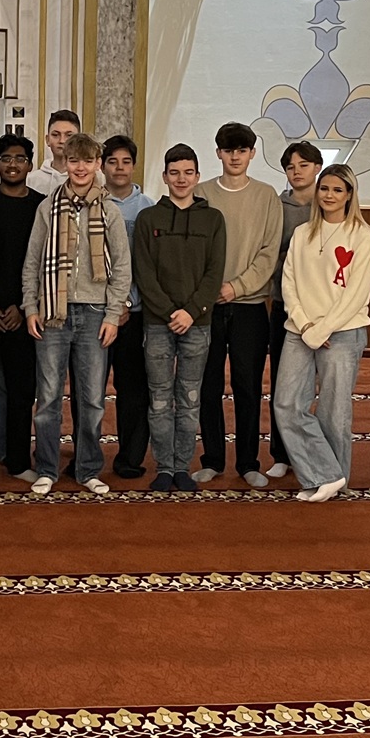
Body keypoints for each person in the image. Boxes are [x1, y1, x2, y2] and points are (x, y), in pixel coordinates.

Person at [23, 132, 131, 495]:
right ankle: (48, 469)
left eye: (87, 161)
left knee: (91, 399)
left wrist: (113, 315)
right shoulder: (47, 207)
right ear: (65, 163)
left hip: (95, 312)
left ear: (97, 164)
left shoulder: (110, 210)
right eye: (74, 161)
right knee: (49, 396)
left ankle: (87, 469)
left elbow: (122, 269)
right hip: (53, 313)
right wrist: (30, 307)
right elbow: (33, 262)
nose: (80, 167)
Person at [273, 165, 370, 502]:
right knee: (287, 404)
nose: (329, 195)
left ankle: (330, 482)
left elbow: (357, 294)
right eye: (324, 189)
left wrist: (324, 328)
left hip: (343, 332)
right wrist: (305, 325)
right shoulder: (303, 233)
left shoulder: (362, 235)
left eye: (337, 190)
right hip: (299, 330)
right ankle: (325, 474)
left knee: (334, 410)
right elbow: (288, 282)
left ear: (349, 195)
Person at [132, 145, 226, 492]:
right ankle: (164, 468)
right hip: (158, 323)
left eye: (188, 172)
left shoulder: (213, 219)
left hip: (198, 324)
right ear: (165, 177)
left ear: (197, 177)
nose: (181, 179)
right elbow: (144, 271)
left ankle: (183, 466)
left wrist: (192, 311)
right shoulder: (148, 219)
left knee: (188, 398)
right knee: (158, 398)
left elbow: (215, 272)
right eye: (174, 172)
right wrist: (170, 311)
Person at [195, 123, 282, 486]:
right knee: (207, 385)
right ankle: (213, 458)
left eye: (242, 150)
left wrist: (237, 286)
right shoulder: (200, 193)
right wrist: (212, 289)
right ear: (218, 153)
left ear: (252, 153)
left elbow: (269, 253)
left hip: (248, 305)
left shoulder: (267, 196)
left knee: (248, 387)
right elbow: (193, 250)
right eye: (228, 150)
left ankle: (248, 462)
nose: (235, 156)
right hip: (206, 306)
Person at [0, 132, 43, 478]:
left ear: (29, 165)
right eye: (5, 159)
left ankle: (19, 460)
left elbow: (43, 262)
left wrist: (25, 306)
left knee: (22, 391)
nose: (12, 164)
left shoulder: (41, 205)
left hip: (26, 312)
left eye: (19, 158)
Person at [267, 141, 322, 482]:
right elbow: (272, 252)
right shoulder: (277, 206)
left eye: (304, 164)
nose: (297, 171)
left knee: (322, 386)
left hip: (326, 308)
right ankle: (281, 453)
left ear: (317, 167)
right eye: (290, 166)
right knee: (283, 383)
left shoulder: (329, 202)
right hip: (285, 306)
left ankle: (317, 452)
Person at [102, 134, 154, 479]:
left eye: (125, 162)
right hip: (95, 314)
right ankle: (86, 455)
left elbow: (149, 265)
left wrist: (127, 302)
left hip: (133, 315)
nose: (119, 168)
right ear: (101, 166)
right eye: (112, 161)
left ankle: (130, 457)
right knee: (88, 391)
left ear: (134, 166)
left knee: (133, 390)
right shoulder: (90, 204)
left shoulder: (148, 209)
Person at [26, 109, 81, 196]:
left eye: (69, 135)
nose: (62, 141)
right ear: (47, 140)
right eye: (55, 135)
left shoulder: (91, 177)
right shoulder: (31, 180)